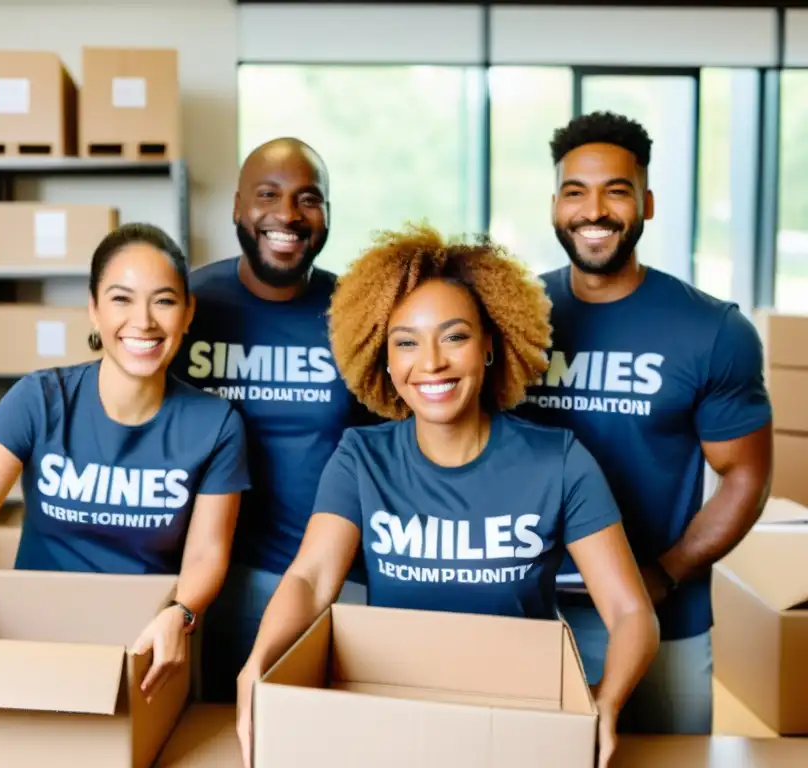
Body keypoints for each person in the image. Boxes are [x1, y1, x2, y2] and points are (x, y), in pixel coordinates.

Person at [235, 223, 660, 768]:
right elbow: (310, 578)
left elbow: (630, 612)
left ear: (489, 344)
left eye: (455, 336)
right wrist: (257, 664)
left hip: (517, 726)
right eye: (406, 342)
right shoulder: (361, 457)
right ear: (384, 359)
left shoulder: (558, 461)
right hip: (392, 720)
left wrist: (607, 700)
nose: (430, 361)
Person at [0, 223, 251, 699]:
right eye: (121, 299)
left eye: (163, 300)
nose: (143, 320)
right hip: (37, 639)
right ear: (93, 311)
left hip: (142, 645)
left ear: (188, 313)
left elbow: (206, 554)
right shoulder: (40, 398)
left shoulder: (216, 424)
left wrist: (180, 612)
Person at [517, 111, 773, 735]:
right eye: (575, 191)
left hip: (664, 615)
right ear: (555, 205)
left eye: (617, 190)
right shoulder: (514, 316)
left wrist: (667, 572)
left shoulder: (711, 331)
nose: (594, 210)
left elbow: (745, 477)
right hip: (530, 612)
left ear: (647, 203)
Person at [174, 137, 372, 703]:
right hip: (211, 582)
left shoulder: (357, 313)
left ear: (328, 214)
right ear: (237, 206)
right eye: (268, 195)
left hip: (333, 580)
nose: (287, 214)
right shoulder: (190, 305)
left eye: (309, 199)